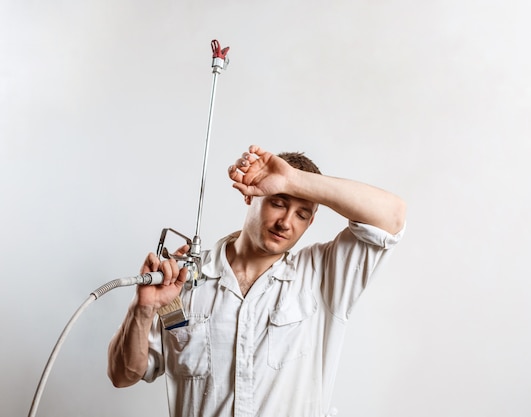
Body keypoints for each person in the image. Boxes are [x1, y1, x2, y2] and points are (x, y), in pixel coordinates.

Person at [107, 144, 406, 417]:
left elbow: (392, 216)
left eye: (302, 214)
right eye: (278, 202)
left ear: (311, 221)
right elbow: (124, 375)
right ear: (251, 195)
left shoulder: (323, 275)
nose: (286, 223)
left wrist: (290, 180)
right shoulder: (182, 283)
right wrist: (143, 308)